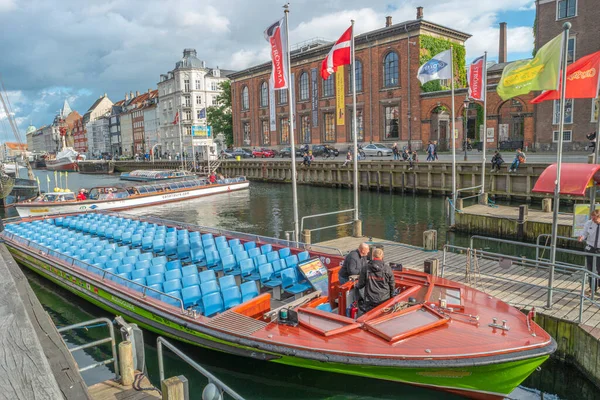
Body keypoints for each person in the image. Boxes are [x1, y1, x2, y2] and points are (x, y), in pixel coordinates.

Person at [578, 210, 600, 295]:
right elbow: (584, 233)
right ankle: (592, 288)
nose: (593, 221)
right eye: (592, 218)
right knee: (590, 269)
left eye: (595, 219)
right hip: (590, 247)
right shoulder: (589, 223)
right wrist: (581, 237)